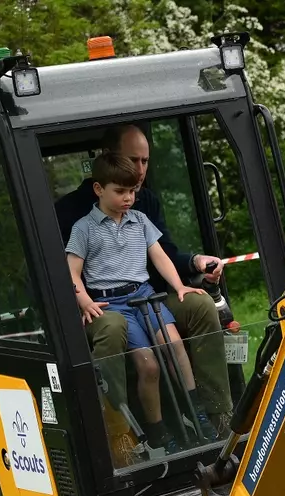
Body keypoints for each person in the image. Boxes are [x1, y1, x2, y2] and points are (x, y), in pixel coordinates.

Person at [55, 124, 231, 429]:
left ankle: (215, 415)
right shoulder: (74, 216)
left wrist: (191, 269)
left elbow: (163, 252)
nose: (138, 173)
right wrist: (82, 301)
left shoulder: (142, 208)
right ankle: (118, 430)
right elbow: (68, 271)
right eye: (132, 161)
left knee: (200, 307)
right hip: (106, 302)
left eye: (145, 162)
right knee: (119, 335)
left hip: (148, 295)